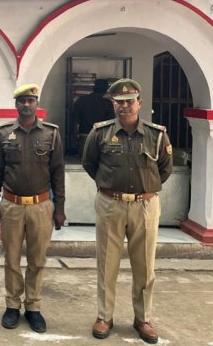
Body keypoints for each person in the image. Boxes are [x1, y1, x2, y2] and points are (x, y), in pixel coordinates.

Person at [82, 79, 172, 344]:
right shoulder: (100, 133)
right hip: (111, 204)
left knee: (144, 264)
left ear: (139, 103)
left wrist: (145, 189)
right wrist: (110, 185)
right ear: (113, 105)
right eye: (119, 102)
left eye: (129, 101)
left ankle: (143, 318)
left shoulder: (156, 135)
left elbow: (165, 169)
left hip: (145, 205)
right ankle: (104, 316)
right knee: (107, 263)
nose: (124, 106)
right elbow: (89, 164)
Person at [0, 84, 65, 333]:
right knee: (11, 258)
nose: (26, 105)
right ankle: (12, 305)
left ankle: (33, 306)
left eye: (31, 100)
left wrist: (59, 208)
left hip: (41, 206)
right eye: (22, 101)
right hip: (11, 205)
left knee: (37, 259)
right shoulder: (4, 133)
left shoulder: (51, 133)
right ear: (16, 105)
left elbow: (58, 173)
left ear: (37, 104)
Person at [72, 79, 115, 155]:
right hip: (101, 137)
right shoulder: (107, 103)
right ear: (106, 90)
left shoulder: (81, 100)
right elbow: (111, 123)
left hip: (84, 135)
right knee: (101, 160)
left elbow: (75, 120)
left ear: (93, 88)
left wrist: (75, 136)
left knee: (84, 160)